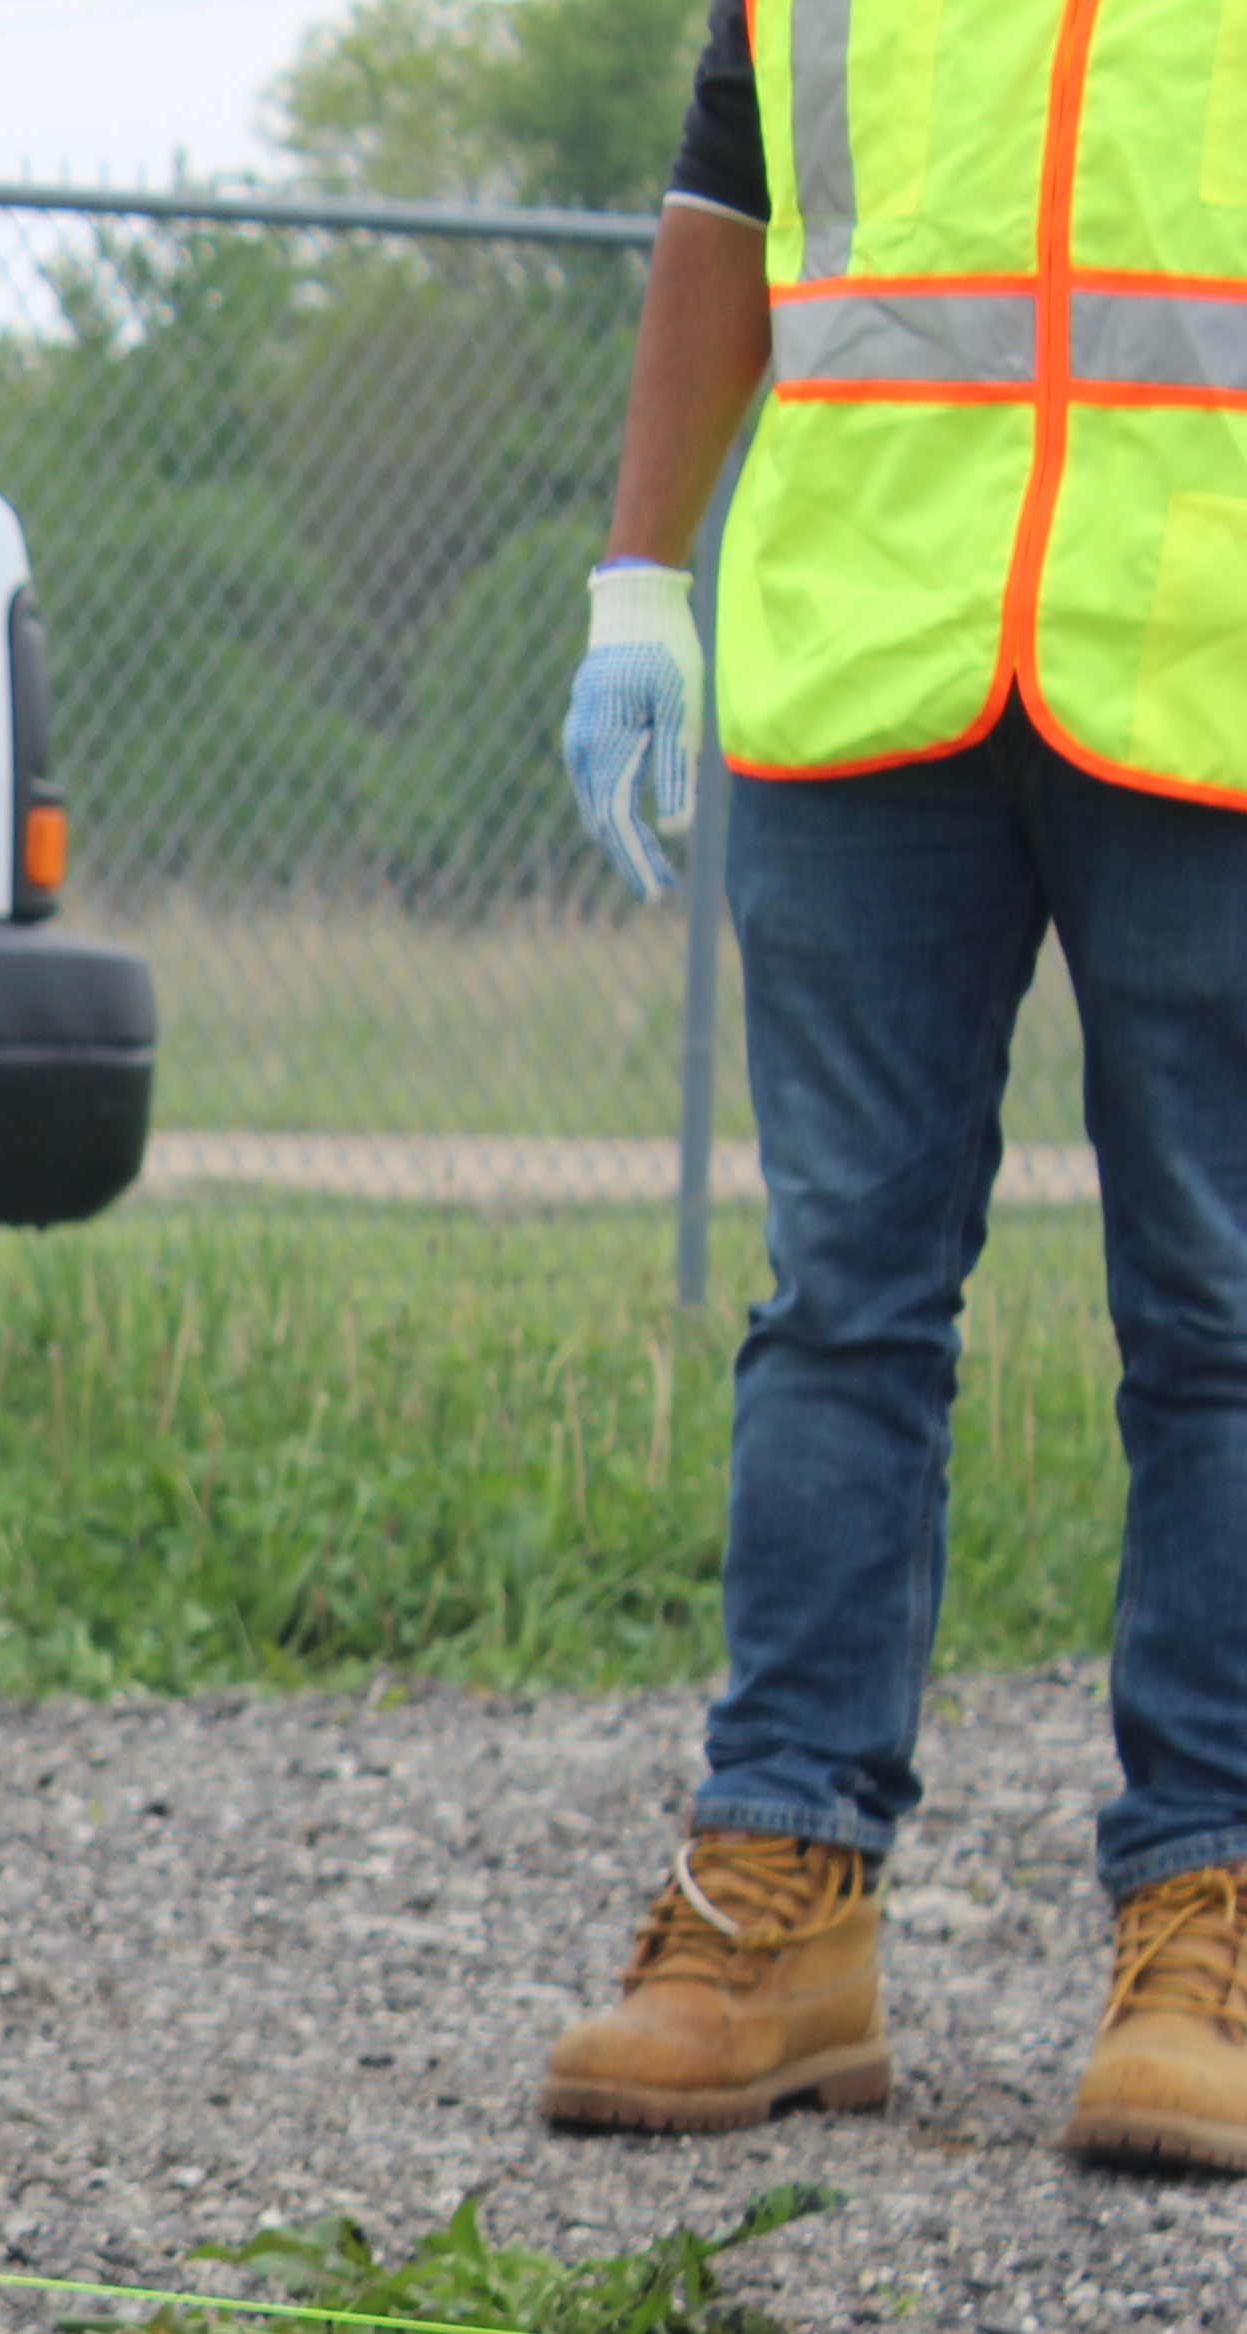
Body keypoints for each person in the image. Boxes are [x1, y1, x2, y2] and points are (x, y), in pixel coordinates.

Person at [538, 0, 1244, 2176]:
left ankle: (1209, 1898)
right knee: (838, 1296)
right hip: (873, 643)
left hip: (1204, 650)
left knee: (1220, 1319)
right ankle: (783, 1892)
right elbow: (727, 189)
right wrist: (639, 573)